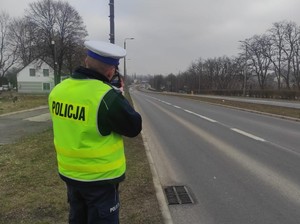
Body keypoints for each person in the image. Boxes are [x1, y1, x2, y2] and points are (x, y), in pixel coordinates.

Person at [48, 40, 142, 224]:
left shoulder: (57, 91)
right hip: (100, 180)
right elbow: (134, 127)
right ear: (110, 71)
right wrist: (119, 95)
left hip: (70, 176)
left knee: (77, 218)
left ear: (86, 61)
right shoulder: (107, 97)